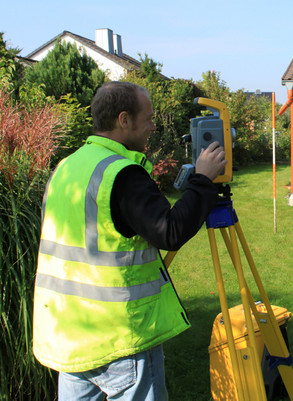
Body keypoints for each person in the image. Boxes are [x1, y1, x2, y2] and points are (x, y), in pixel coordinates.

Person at [32, 81, 227, 400]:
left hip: (69, 335)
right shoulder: (120, 174)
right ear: (124, 120)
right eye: (148, 118)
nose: (153, 126)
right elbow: (170, 231)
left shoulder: (67, 167)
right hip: (119, 338)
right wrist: (203, 180)